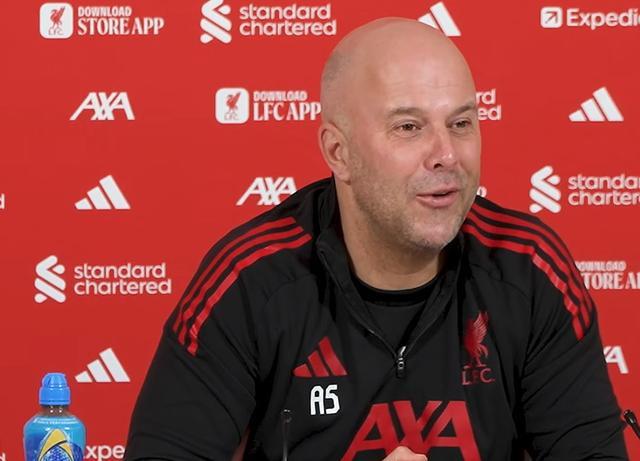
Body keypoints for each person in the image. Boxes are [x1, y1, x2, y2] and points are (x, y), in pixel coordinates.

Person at [125, 18, 628, 461]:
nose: (447, 154)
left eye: (461, 123)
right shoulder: (251, 280)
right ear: (338, 152)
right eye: (408, 127)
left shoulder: (528, 268)